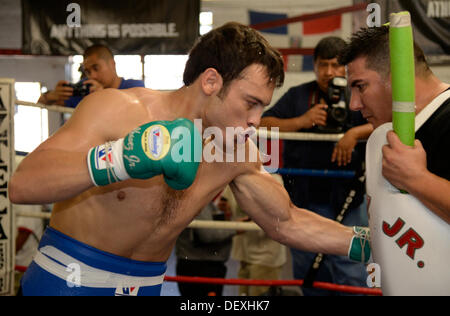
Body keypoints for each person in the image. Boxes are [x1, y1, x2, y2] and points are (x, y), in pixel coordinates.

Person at [9, 22, 371, 296]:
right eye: (250, 103)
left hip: (146, 287)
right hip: (64, 283)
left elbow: (286, 221)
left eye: (262, 106)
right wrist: (120, 157)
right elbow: (23, 185)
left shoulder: (235, 149)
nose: (256, 121)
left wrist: (368, 242)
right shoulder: (119, 110)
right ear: (211, 81)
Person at [260, 36, 373, 296]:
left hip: (349, 196)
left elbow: (383, 121)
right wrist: (301, 121)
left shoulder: (356, 94)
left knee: (352, 267)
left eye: (336, 65)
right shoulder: (299, 95)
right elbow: (261, 124)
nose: (330, 72)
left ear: (345, 67)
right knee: (308, 266)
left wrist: (353, 134)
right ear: (314, 66)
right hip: (305, 195)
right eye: (324, 65)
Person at [338, 26, 450, 223]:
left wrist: (417, 178)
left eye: (360, 86)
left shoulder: (445, 119)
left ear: (399, 78)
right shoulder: (406, 128)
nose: (353, 104)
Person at [230, 175, 287, 296]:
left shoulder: (274, 180)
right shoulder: (232, 176)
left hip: (266, 256)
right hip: (244, 253)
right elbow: (226, 209)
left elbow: (278, 214)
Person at [37, 44, 145, 108]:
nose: (92, 76)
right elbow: (40, 103)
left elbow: (140, 113)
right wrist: (53, 95)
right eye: (88, 71)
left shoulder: (134, 86)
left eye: (96, 68)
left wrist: (104, 96)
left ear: (112, 64)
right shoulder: (86, 89)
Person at [175, 200, 235, 296]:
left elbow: (211, 228)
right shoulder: (197, 200)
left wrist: (226, 216)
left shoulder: (209, 201)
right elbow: (207, 235)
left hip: (204, 264)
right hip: (200, 265)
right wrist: (234, 228)